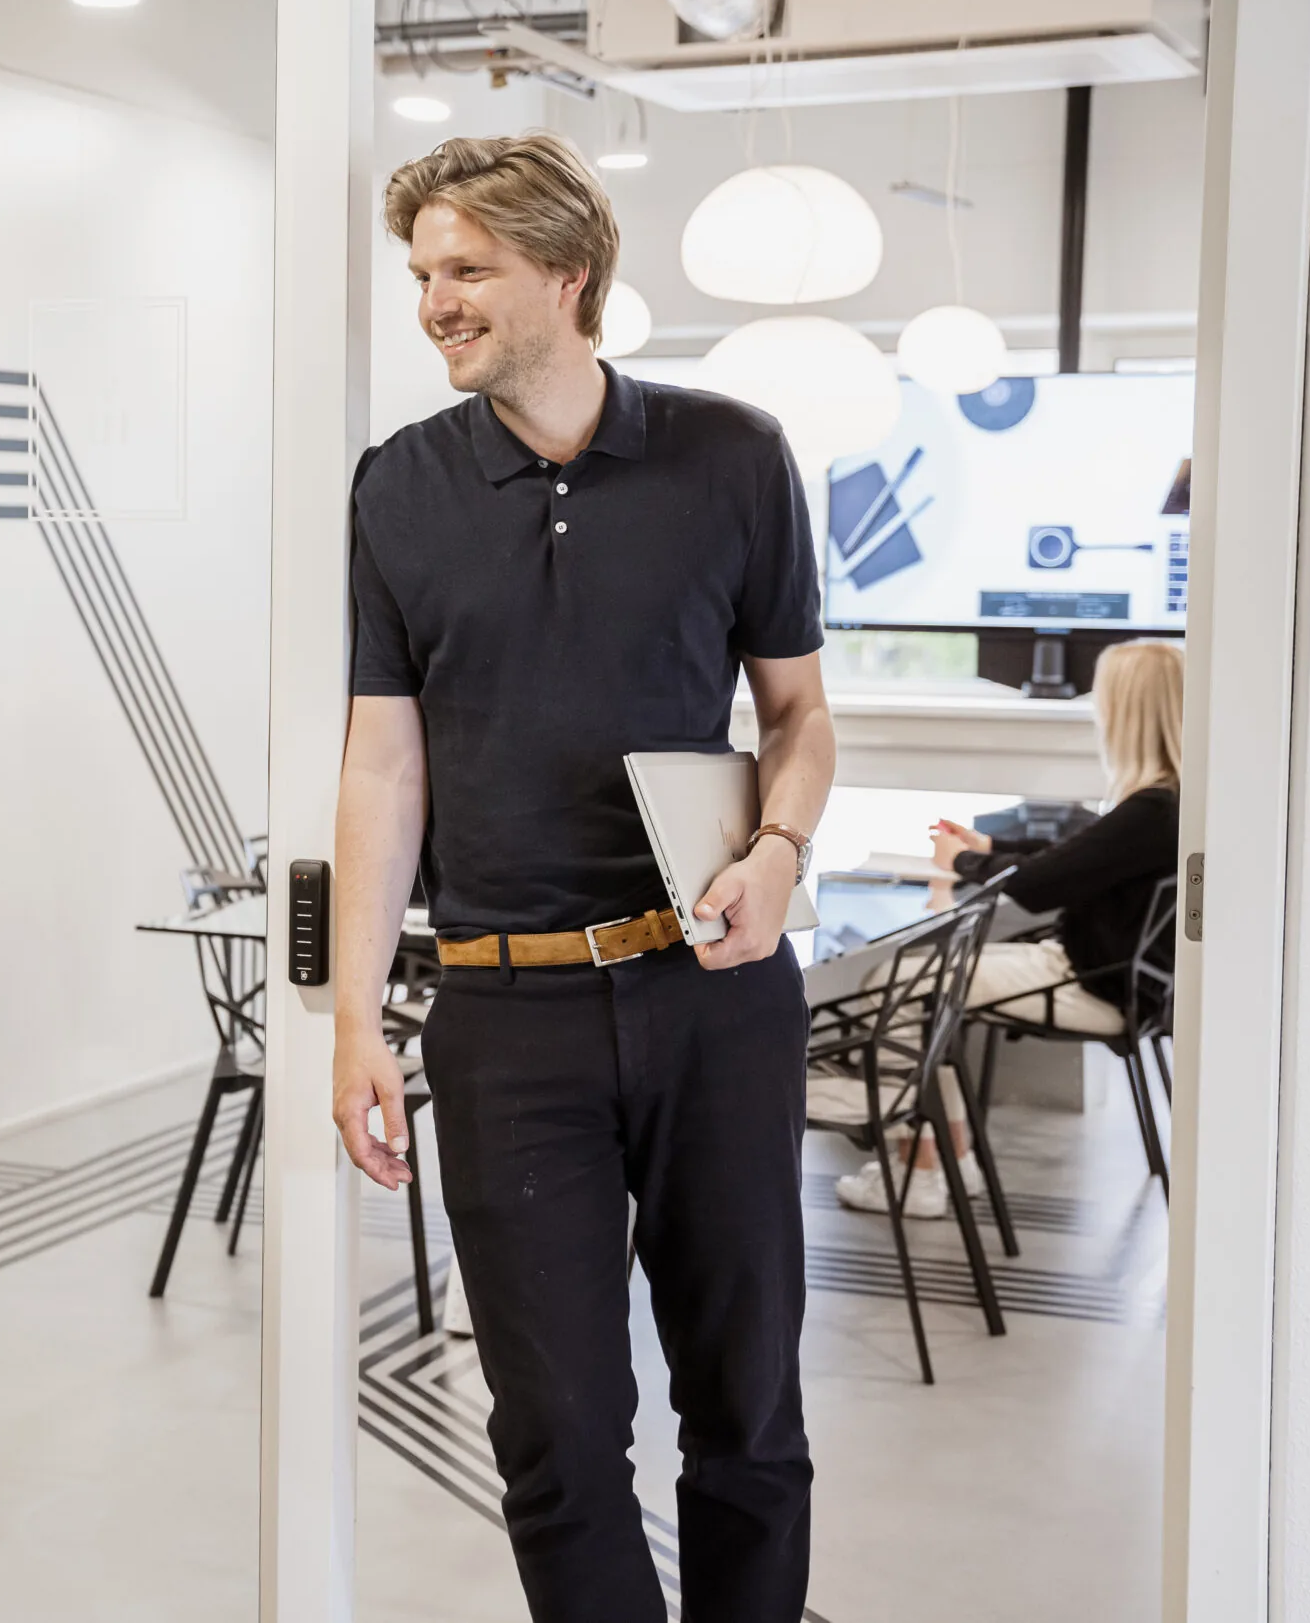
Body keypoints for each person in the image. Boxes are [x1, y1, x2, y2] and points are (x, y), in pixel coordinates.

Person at [332, 134, 836, 1623]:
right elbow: (382, 767)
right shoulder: (396, 488)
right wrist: (358, 1016)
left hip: (714, 995)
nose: (436, 300)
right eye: (422, 271)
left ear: (571, 275)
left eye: (468, 267)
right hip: (504, 1018)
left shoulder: (732, 455)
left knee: (745, 1412)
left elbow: (800, 714)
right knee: (552, 1435)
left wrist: (781, 851)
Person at [834, 637, 1185, 1216]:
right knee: (925, 980)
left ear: (1129, 715)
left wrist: (964, 863)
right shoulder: (1171, 803)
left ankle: (916, 1171)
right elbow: (1076, 854)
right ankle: (954, 1158)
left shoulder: (1151, 809)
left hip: (1089, 984)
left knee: (898, 981)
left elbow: (1038, 885)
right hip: (1125, 982)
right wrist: (990, 846)